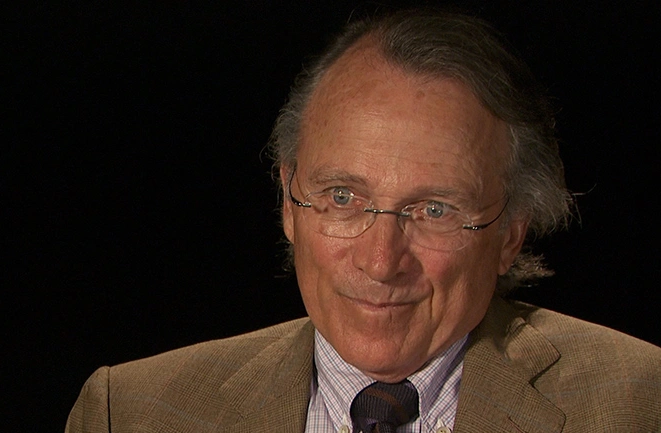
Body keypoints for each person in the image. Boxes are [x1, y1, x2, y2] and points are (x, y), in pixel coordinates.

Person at [66, 8, 661, 433]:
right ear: (289, 200)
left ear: (511, 231)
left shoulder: (643, 403)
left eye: (434, 210)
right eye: (343, 197)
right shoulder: (133, 413)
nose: (380, 261)